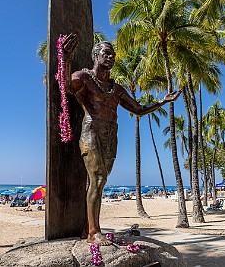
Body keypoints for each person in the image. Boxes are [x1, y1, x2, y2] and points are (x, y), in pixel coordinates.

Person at [62, 34, 181, 245]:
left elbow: (139, 110)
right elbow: (66, 87)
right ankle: (93, 233)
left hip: (111, 135)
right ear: (95, 56)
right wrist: (66, 58)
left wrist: (162, 101)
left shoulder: (116, 89)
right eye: (106, 53)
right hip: (92, 131)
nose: (111, 57)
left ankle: (86, 226)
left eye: (113, 55)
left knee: (100, 181)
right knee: (97, 179)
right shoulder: (84, 77)